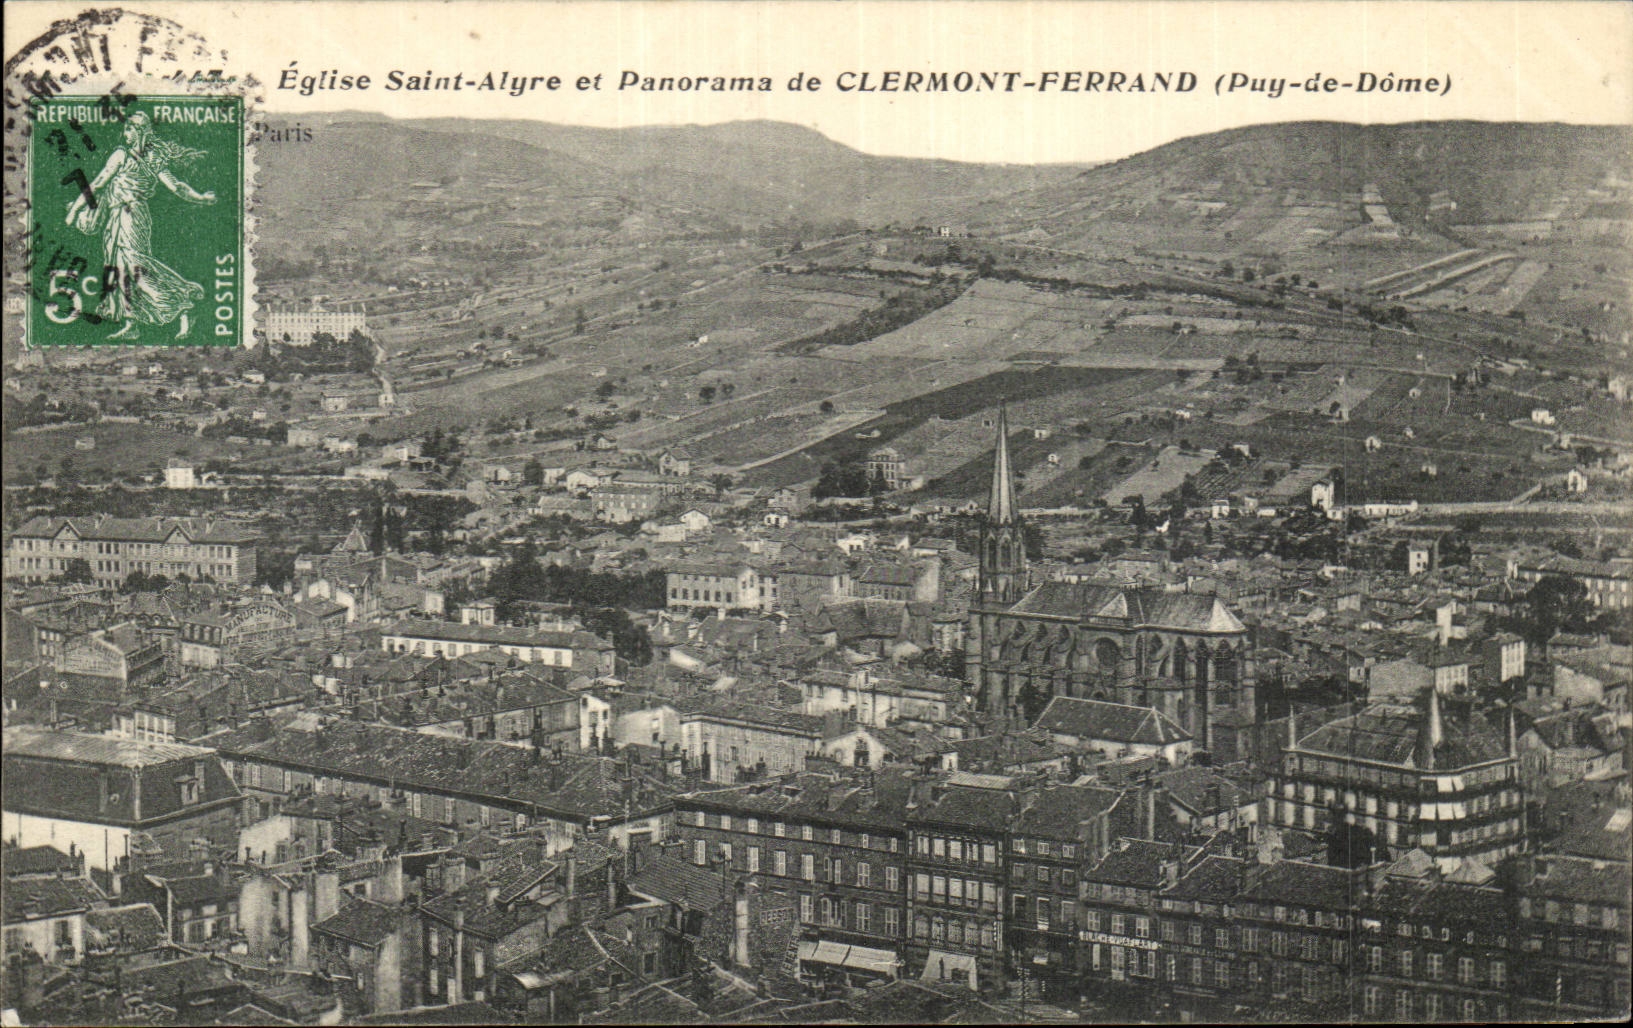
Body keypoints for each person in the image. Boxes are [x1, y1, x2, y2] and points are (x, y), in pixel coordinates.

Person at [65, 110, 217, 340]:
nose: (124, 133)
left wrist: (201, 198)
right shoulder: (131, 156)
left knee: (135, 267)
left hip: (132, 216)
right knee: (119, 269)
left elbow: (176, 186)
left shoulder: (133, 157)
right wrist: (201, 198)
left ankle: (184, 305)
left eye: (129, 129)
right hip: (118, 217)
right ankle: (132, 322)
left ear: (139, 132)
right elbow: (98, 184)